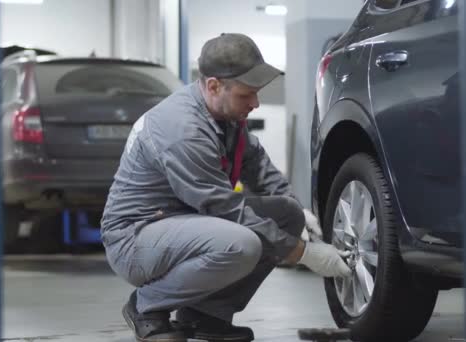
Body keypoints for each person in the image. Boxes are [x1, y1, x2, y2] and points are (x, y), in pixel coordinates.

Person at [100, 33, 352, 342]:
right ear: (214, 86)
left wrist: (296, 206)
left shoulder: (224, 114)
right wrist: (303, 253)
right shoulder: (182, 129)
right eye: (247, 95)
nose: (256, 103)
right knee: (242, 243)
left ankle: (206, 315)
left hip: (183, 222)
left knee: (285, 215)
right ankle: (146, 306)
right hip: (136, 238)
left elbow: (256, 163)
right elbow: (222, 206)